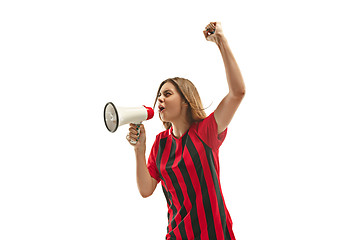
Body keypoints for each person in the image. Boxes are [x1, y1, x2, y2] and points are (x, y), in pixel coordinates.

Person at [126, 22, 245, 240]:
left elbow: (237, 92)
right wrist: (139, 150)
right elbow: (146, 189)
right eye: (159, 95)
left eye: (168, 93)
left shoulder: (206, 131)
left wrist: (221, 42)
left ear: (185, 101)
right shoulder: (160, 144)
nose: (160, 98)